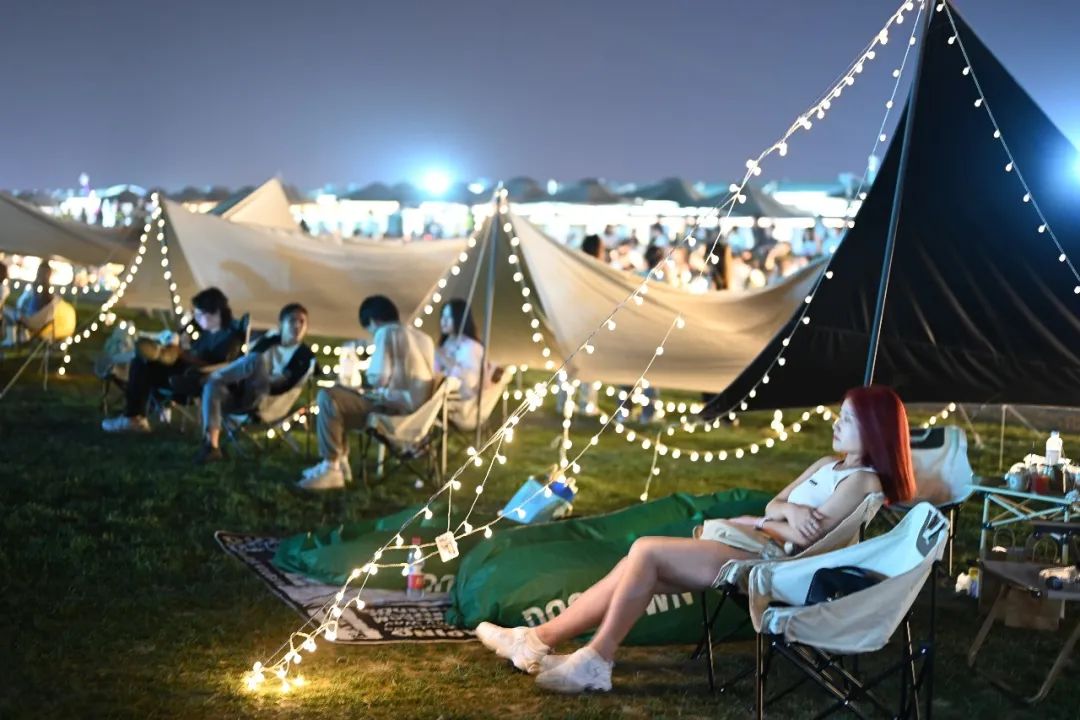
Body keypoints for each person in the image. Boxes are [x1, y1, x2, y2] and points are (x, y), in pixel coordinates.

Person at [475, 385, 916, 694]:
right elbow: (778, 504)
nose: (836, 424)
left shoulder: (863, 481)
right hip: (757, 543)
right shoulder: (826, 465)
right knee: (633, 566)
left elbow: (807, 541)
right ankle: (535, 641)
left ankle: (596, 660)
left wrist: (774, 520)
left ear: (873, 428)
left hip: (773, 564)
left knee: (645, 551)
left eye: (847, 419)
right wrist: (789, 513)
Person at [298, 295, 435, 490]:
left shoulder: (385, 332)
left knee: (328, 396)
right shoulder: (424, 338)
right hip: (421, 414)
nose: (372, 333)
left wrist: (363, 381)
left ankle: (331, 467)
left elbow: (377, 378)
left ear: (373, 321)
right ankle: (339, 463)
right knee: (338, 397)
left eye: (370, 329)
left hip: (394, 411)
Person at [101, 287, 245, 433]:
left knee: (142, 366)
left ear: (214, 312)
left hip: (194, 379)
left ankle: (133, 417)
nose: (196, 318)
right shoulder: (210, 332)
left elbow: (219, 366)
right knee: (145, 360)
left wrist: (183, 355)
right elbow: (197, 353)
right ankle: (136, 415)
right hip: (187, 371)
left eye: (199, 313)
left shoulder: (228, 337)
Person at [197, 303, 315, 463]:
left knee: (255, 360)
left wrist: (254, 376)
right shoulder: (269, 342)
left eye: (302, 321)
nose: (297, 325)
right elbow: (242, 365)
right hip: (243, 395)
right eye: (292, 320)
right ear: (281, 324)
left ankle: (207, 377)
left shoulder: (304, 356)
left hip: (267, 403)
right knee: (213, 387)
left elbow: (281, 386)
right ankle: (212, 447)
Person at [436, 299, 485, 406]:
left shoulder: (470, 346)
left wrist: (445, 360)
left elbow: (470, 379)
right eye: (442, 316)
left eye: (449, 317)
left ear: (459, 318)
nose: (444, 321)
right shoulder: (445, 344)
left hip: (459, 402)